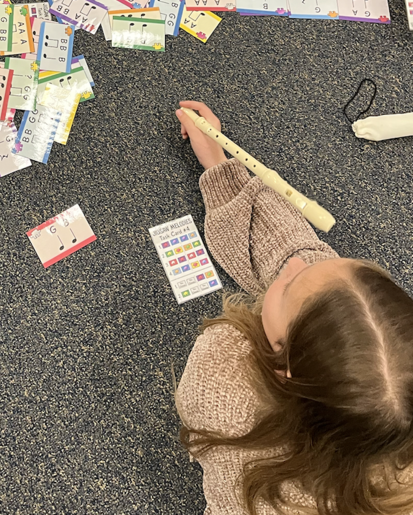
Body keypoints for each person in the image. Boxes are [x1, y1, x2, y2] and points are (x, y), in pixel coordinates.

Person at [174, 100, 413, 515]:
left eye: (286, 289)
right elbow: (295, 252)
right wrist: (219, 164)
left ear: (284, 368)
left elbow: (293, 258)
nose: (295, 265)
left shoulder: (221, 367)